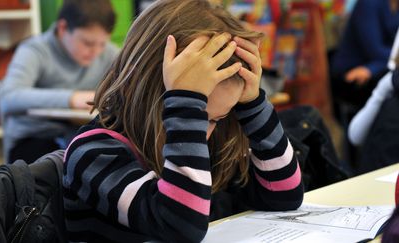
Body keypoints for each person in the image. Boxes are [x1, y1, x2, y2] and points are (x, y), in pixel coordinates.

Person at [62, 0, 304, 242]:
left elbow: (284, 195)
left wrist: (253, 103)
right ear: (141, 88)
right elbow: (181, 228)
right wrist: (186, 104)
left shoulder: (202, 141)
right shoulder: (93, 153)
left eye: (215, 120)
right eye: (197, 116)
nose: (205, 133)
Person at [0, 0, 119, 164]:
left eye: (102, 44)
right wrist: (73, 98)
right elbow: (8, 97)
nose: (96, 52)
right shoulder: (34, 50)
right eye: (88, 43)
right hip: (36, 139)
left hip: (83, 138)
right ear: (62, 28)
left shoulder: (109, 53)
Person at [331, 0, 399, 109]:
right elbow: (374, 50)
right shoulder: (368, 3)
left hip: (377, 66)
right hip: (352, 70)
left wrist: (372, 68)